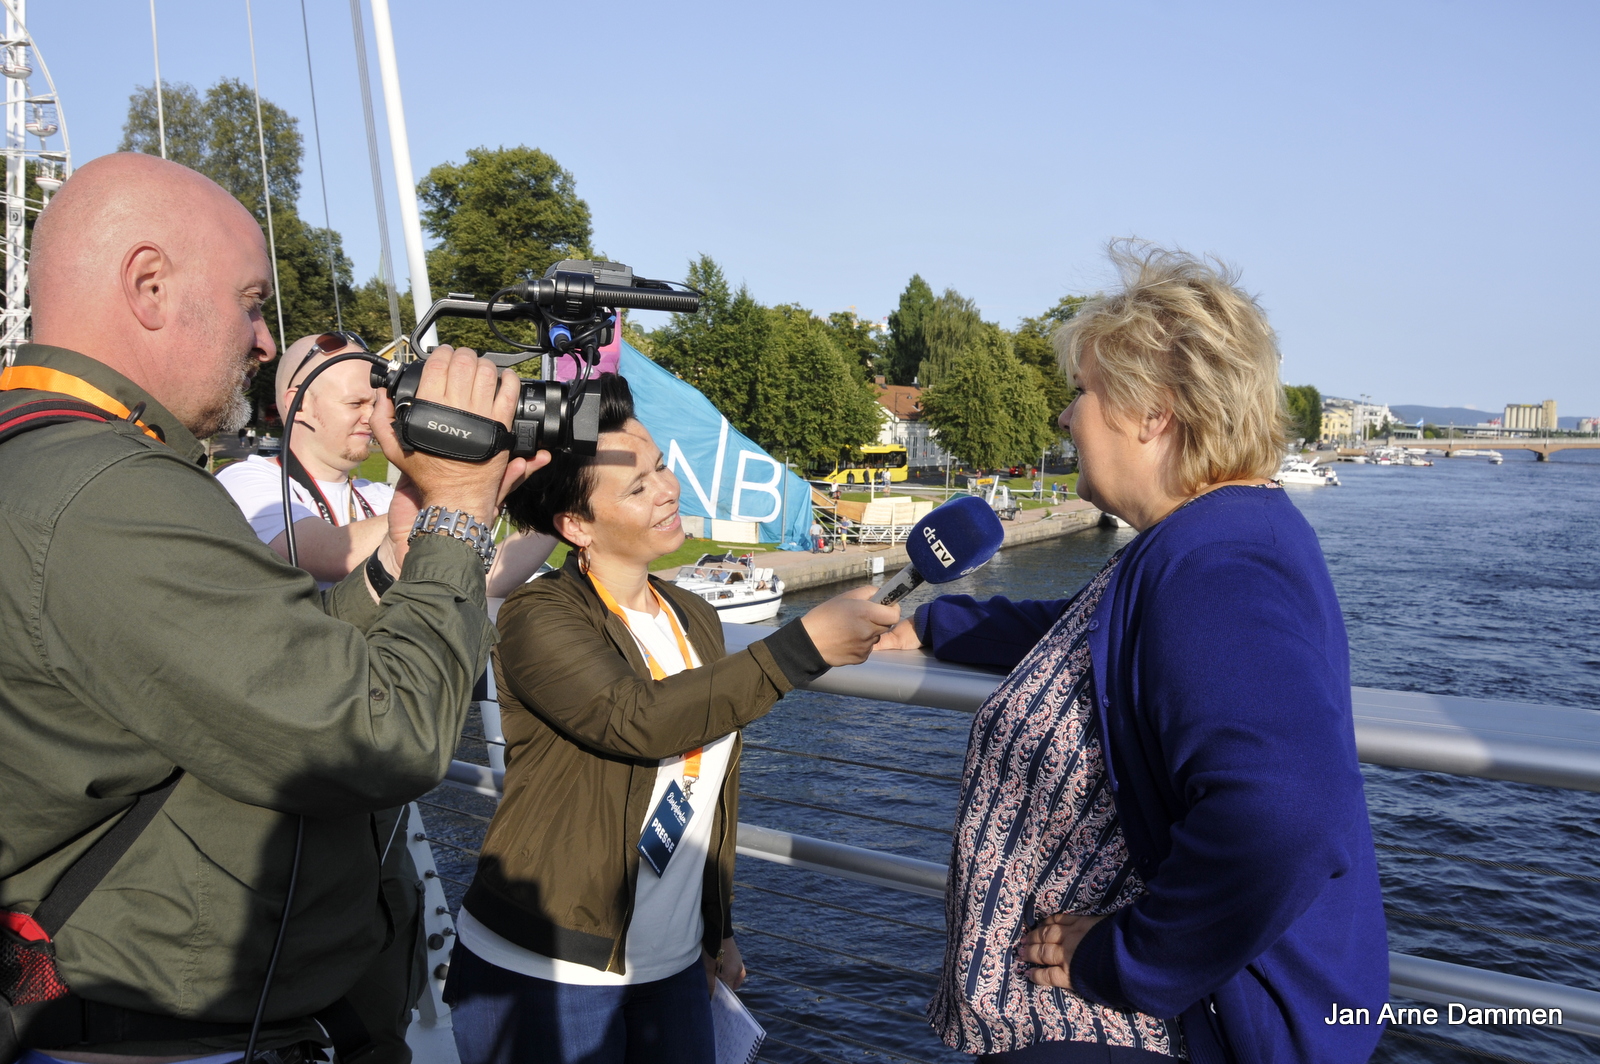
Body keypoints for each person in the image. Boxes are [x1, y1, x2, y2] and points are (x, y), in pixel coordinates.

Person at [0, 153, 540, 1063]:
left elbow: (261, 674)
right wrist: (459, 513)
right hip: (174, 1033)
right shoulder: (110, 496)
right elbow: (385, 733)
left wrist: (403, 549)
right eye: (252, 302)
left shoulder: (53, 463)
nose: (262, 344)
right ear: (148, 285)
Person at [879, 245, 1387, 1063]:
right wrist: (935, 628)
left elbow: (1287, 813)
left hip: (1130, 1033)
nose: (1065, 418)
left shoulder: (1218, 562)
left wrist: (1129, 958)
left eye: (1081, 392)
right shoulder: (1206, 538)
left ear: (1154, 413)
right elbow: (1094, 639)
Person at [442, 374, 899, 1064]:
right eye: (636, 486)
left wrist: (718, 930)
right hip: (553, 967)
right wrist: (802, 648)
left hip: (675, 965)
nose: (665, 489)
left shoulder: (697, 618)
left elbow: (708, 796)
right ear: (575, 526)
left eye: (660, 468)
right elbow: (638, 720)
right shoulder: (540, 617)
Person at [213, 332, 558, 1063]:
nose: (377, 413)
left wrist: (549, 519)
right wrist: (449, 500)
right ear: (294, 403)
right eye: (358, 399)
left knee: (381, 944)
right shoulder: (249, 481)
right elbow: (317, 552)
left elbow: (480, 572)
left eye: (381, 395)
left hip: (375, 759)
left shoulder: (377, 495)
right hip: (298, 759)